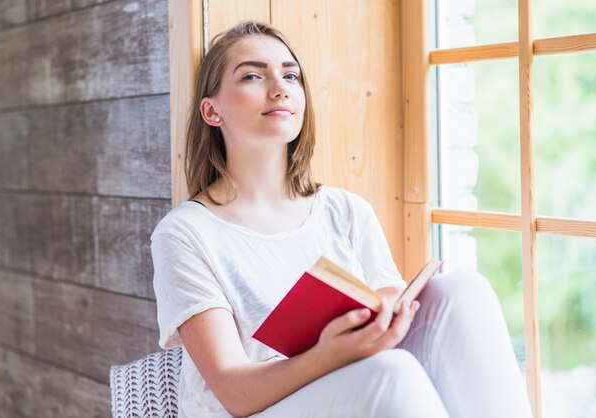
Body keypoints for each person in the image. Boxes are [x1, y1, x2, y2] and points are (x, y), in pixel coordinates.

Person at [151, 21, 533, 418]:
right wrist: (326, 355)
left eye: (290, 75)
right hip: (255, 407)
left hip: (348, 382)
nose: (279, 86)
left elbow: (387, 303)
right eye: (252, 75)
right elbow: (233, 391)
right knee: (391, 372)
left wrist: (385, 321)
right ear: (212, 111)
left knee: (462, 291)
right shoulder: (185, 233)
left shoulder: (344, 211)